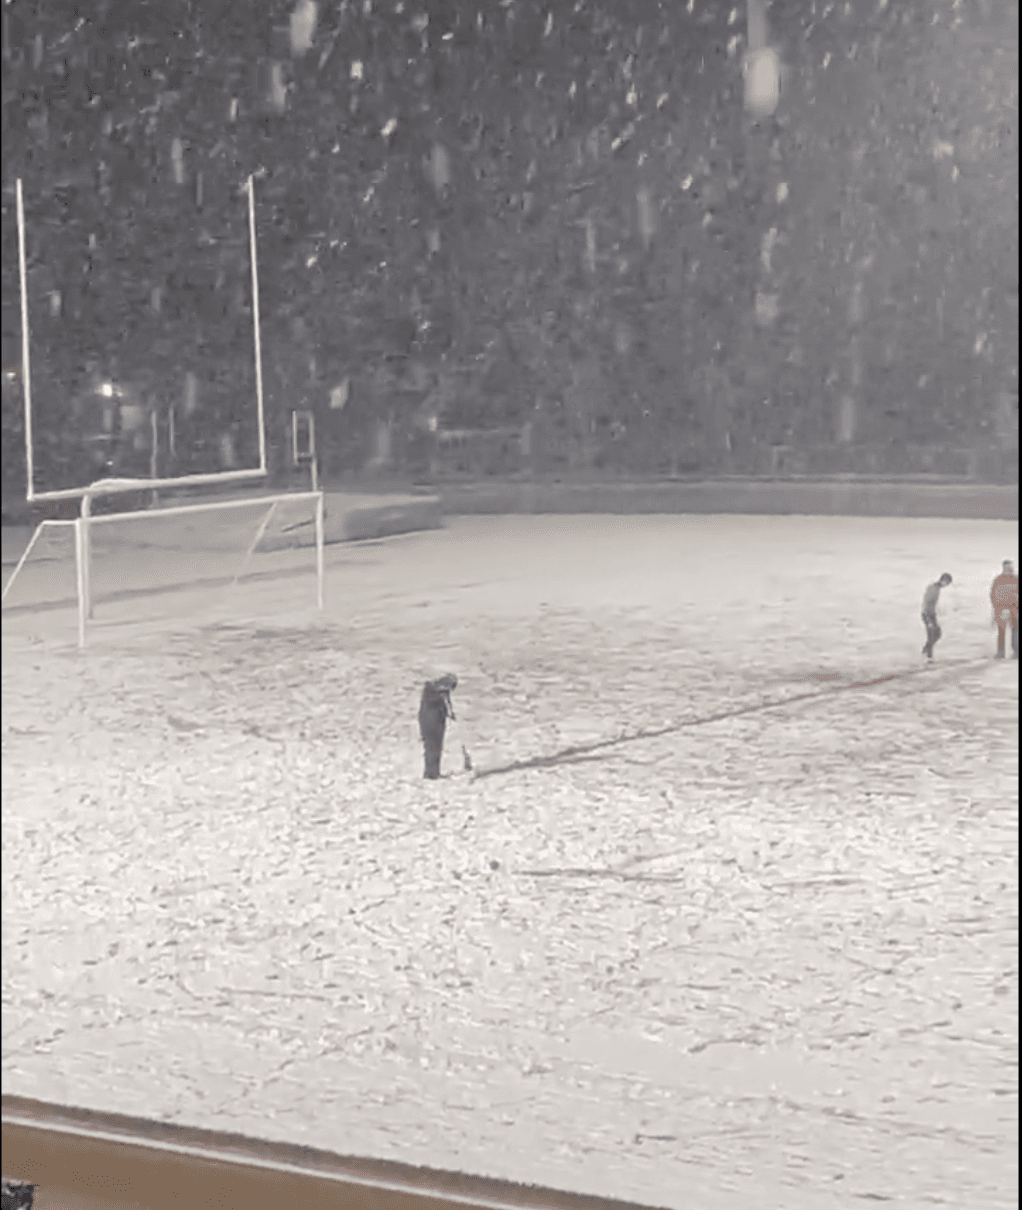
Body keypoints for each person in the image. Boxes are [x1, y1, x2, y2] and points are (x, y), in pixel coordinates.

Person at [990, 559, 1018, 659]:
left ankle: (1016, 652)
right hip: (1001, 609)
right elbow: (993, 595)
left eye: (1011, 567)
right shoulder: (998, 580)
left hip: (1014, 609)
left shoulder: (1016, 579)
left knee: (1015, 631)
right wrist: (995, 611)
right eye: (1007, 567)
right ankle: (1001, 653)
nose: (1010, 569)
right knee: (1001, 632)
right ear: (1003, 568)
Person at [921, 572, 953, 660]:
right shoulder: (933, 589)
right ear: (943, 581)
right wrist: (928, 620)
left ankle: (926, 651)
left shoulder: (936, 588)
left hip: (931, 614)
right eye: (947, 583)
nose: (947, 585)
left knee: (937, 634)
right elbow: (927, 603)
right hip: (927, 614)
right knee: (932, 635)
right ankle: (928, 656)